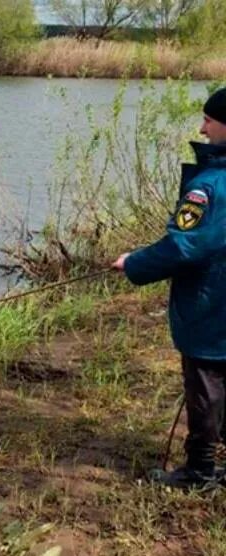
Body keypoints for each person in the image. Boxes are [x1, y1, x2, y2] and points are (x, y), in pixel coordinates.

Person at [113, 87, 226, 488]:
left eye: (209, 121)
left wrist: (134, 263)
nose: (202, 127)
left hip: (212, 306)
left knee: (205, 384)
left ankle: (199, 470)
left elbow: (183, 245)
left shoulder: (209, 187)